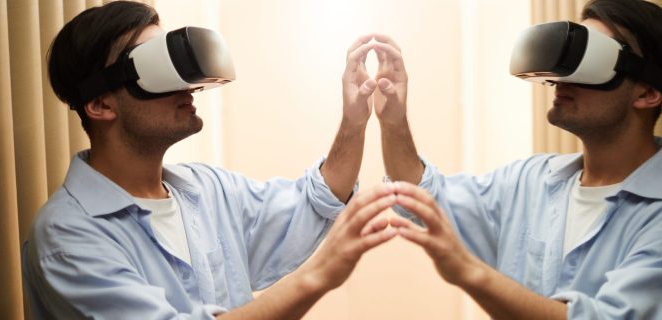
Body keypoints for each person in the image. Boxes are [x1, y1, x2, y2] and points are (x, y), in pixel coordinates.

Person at [22, 1, 398, 319]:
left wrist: (354, 121)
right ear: (101, 104)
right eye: (159, 66)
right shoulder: (67, 238)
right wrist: (321, 274)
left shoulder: (207, 189)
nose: (186, 83)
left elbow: (313, 201)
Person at [379, 0, 662, 318]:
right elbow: (426, 199)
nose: (563, 77)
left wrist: (470, 273)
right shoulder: (532, 180)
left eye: (588, 59)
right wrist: (393, 122)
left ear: (647, 93)